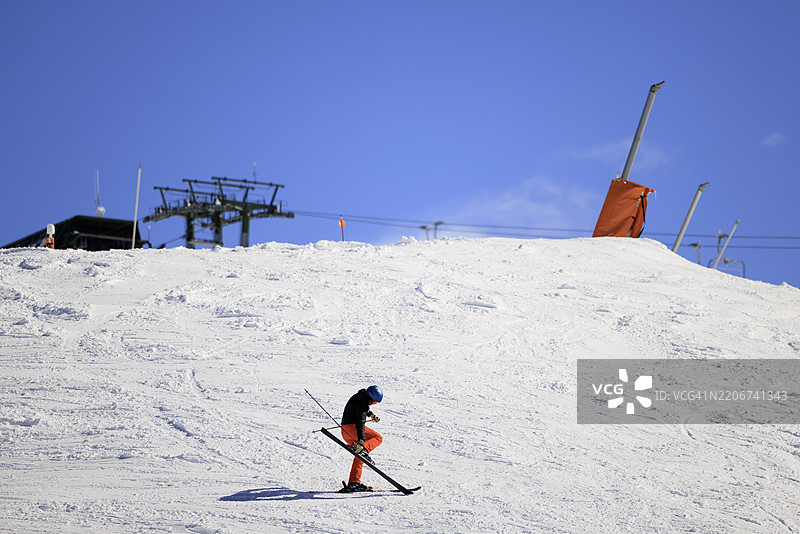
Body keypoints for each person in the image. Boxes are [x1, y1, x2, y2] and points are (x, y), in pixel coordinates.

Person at [339, 385, 383, 492]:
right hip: (353, 430)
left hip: (345, 432)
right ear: (371, 399)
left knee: (359, 456)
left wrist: (371, 414)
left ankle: (354, 482)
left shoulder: (359, 396)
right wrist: (362, 441)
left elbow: (361, 409)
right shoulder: (363, 404)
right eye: (374, 402)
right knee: (377, 437)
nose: (374, 404)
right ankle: (364, 450)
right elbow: (360, 424)